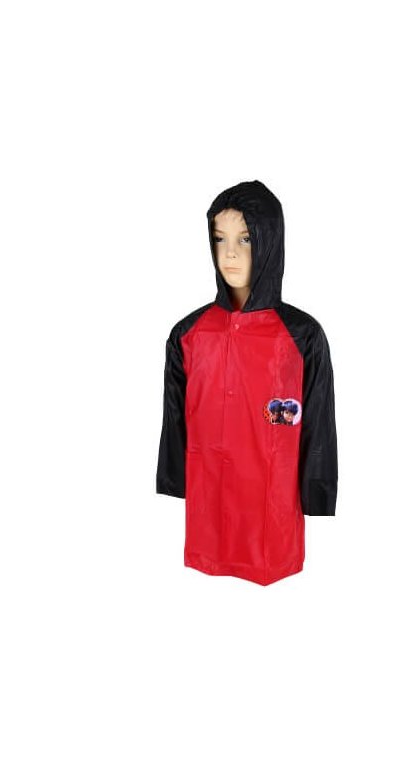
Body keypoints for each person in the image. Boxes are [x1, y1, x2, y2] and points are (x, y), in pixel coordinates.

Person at [156, 180, 338, 586]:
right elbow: (175, 418)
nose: (230, 253)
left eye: (245, 238)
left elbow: (318, 422)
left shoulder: (302, 335)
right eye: (219, 239)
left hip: (271, 521)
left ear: (269, 241)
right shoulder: (188, 334)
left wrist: (318, 492)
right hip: (208, 517)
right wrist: (173, 479)